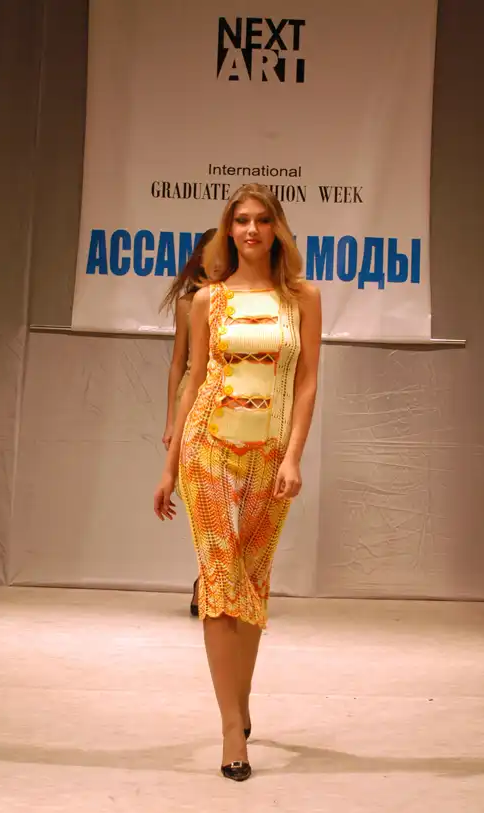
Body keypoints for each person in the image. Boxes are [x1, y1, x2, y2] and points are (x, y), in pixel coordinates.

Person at [154, 184, 321, 782]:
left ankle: (240, 700)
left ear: (277, 229)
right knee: (220, 581)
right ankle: (231, 730)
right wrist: (170, 464)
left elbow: (307, 382)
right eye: (241, 220)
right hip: (207, 451)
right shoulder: (208, 300)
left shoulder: (303, 298)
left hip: (271, 457)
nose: (251, 229)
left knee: (252, 581)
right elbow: (195, 381)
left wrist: (293, 457)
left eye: (262, 220)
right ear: (228, 230)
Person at [160, 228, 216, 617]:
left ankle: (216, 579)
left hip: (233, 400)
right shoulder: (188, 303)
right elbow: (179, 362)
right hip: (193, 400)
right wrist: (170, 420)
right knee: (202, 497)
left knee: (229, 494)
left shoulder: (246, 300)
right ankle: (208, 579)